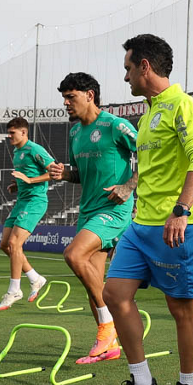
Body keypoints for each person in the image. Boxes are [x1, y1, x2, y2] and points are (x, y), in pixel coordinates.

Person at [100, 33, 193, 385]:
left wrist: (181, 209)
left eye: (129, 68)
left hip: (178, 225)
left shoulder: (185, 107)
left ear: (145, 66)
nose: (126, 77)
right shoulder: (147, 113)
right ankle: (143, 382)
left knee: (180, 308)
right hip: (141, 224)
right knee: (114, 293)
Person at [46, 72, 139, 365]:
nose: (66, 103)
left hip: (113, 209)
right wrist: (66, 174)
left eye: (70, 96)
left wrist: (128, 186)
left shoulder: (115, 125)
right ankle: (108, 343)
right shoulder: (75, 133)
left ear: (90, 95)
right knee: (93, 280)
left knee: (73, 255)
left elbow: (150, 157)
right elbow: (79, 173)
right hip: (88, 210)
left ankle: (109, 325)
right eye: (64, 97)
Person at [0, 117, 54, 310]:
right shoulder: (16, 151)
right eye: (8, 132)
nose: (9, 136)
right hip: (22, 201)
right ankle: (35, 278)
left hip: (35, 201)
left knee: (14, 243)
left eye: (12, 133)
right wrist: (18, 185)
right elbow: (25, 176)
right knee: (5, 245)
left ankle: (14, 290)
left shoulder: (34, 149)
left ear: (23, 132)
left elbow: (53, 172)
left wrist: (29, 180)